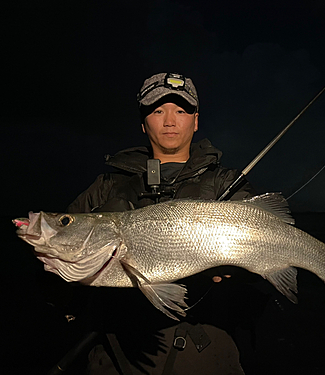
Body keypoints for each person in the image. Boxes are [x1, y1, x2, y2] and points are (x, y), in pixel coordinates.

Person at [65, 72, 266, 375]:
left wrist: (237, 273)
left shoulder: (226, 183)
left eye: (181, 111)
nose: (169, 121)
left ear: (196, 121)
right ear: (143, 123)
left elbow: (264, 263)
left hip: (207, 353)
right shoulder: (106, 186)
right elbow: (57, 275)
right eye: (157, 111)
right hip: (116, 356)